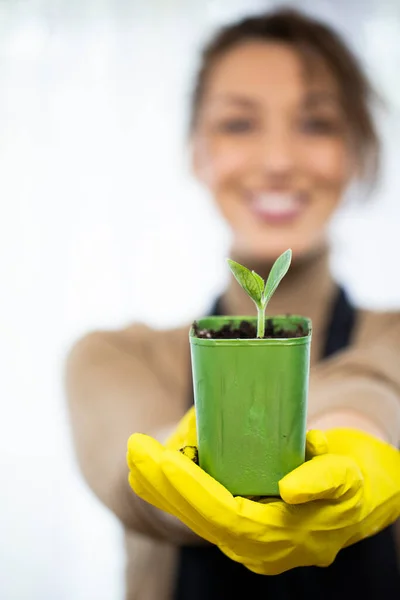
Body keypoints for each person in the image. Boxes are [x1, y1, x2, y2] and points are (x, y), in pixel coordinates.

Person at [65, 8, 400, 600]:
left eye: (317, 123)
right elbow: (132, 482)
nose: (277, 160)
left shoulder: (389, 339)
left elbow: (376, 384)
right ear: (198, 151)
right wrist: (190, 488)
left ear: (355, 152)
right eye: (239, 124)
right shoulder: (115, 356)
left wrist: (360, 435)